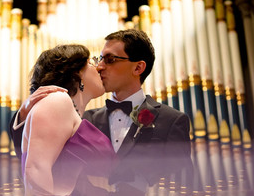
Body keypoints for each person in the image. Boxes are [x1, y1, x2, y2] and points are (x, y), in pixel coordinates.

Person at [11, 29, 193, 186]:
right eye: (99, 59)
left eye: (110, 59)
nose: (99, 67)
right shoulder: (84, 120)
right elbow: (36, 160)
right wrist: (24, 115)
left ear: (138, 68)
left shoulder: (172, 121)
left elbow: (181, 181)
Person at [13, 44, 117, 196]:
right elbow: (36, 167)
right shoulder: (58, 101)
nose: (99, 68)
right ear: (77, 74)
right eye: (92, 63)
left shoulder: (65, 106)